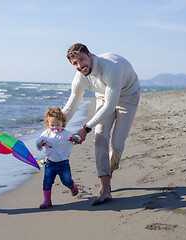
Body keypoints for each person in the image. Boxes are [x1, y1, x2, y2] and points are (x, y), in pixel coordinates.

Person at [62, 43, 140, 206]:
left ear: (90, 55)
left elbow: (110, 107)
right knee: (100, 137)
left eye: (82, 59)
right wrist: (55, 128)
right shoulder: (79, 77)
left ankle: (109, 170)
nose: (80, 66)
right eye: (74, 63)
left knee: (117, 145)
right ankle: (105, 189)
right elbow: (71, 106)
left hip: (128, 96)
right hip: (103, 96)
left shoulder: (112, 68)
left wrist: (85, 129)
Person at [36, 107, 79, 209]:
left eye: (58, 125)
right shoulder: (45, 134)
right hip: (50, 163)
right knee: (47, 182)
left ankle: (72, 186)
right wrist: (40, 143)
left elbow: (76, 137)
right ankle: (47, 200)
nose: (55, 127)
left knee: (66, 181)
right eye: (52, 125)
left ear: (62, 123)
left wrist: (76, 139)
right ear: (47, 124)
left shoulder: (66, 133)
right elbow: (38, 143)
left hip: (63, 164)